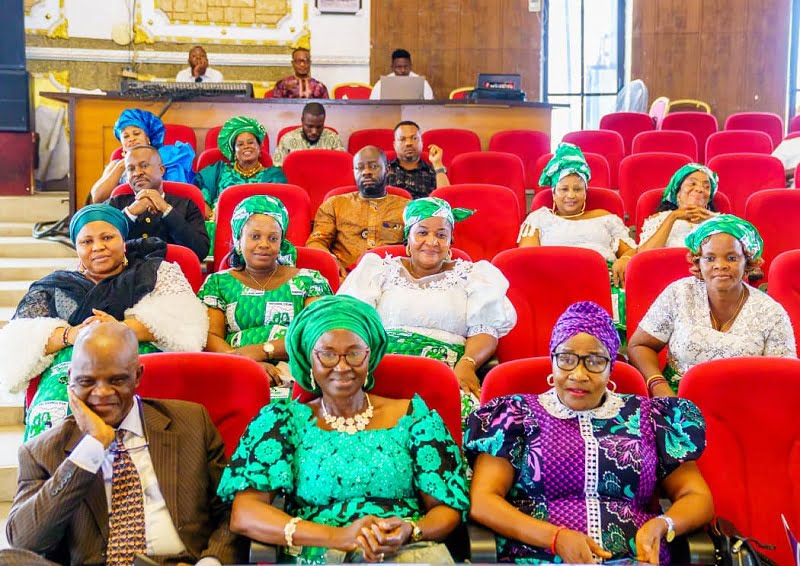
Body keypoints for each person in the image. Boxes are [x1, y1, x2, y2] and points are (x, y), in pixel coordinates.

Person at [218, 295, 469, 564]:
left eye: (354, 353)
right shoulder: (281, 421)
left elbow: (446, 508)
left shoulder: (414, 416)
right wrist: (337, 537)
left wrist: (412, 530)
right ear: (308, 359)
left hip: (404, 552)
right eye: (327, 355)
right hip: (316, 553)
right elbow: (245, 514)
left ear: (370, 356)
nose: (342, 366)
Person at [466, 301, 714, 564]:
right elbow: (484, 500)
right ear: (552, 360)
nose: (579, 374)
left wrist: (663, 524)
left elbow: (696, 496)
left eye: (595, 361)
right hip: (539, 556)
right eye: (566, 360)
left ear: (611, 367)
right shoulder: (516, 414)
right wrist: (555, 538)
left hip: (637, 558)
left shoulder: (649, 417)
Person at [6, 321, 241, 565]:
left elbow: (231, 510)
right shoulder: (41, 451)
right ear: (70, 381)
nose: (101, 393)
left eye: (116, 380)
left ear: (137, 375)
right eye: (86, 382)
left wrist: (210, 562)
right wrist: (92, 447)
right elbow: (25, 541)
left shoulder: (191, 423)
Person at [0, 205, 208, 440]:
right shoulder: (56, 285)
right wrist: (72, 334)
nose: (98, 247)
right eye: (86, 242)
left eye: (107, 238)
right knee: (57, 421)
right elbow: (18, 340)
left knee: (154, 422)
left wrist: (122, 329)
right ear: (77, 248)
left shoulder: (156, 271)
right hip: (73, 364)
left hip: (140, 358)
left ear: (123, 241)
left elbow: (185, 320)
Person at [339, 196, 516, 420]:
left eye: (441, 235)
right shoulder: (378, 270)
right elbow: (352, 323)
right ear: (408, 238)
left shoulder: (473, 276)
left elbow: (485, 330)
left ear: (450, 241)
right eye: (422, 232)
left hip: (447, 375)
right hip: (380, 371)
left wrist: (468, 364)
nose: (432, 242)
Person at [629, 215, 796, 395]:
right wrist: (659, 386)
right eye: (710, 258)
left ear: (747, 262)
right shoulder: (680, 293)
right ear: (698, 262)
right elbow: (640, 346)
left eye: (731, 258)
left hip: (744, 402)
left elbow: (783, 378)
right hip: (677, 398)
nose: (720, 265)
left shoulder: (771, 313)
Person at [198, 196, 332, 399]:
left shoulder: (310, 280)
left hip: (298, 374)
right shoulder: (217, 283)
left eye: (273, 238)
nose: (264, 244)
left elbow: (316, 335)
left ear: (281, 241)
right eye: (255, 236)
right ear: (238, 239)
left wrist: (263, 350)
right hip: (234, 372)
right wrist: (246, 364)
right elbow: (210, 337)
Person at [518, 142, 636, 331]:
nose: (571, 195)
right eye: (564, 189)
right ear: (554, 193)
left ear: (585, 192)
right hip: (553, 282)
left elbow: (630, 251)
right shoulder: (539, 218)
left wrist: (625, 259)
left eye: (578, 189)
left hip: (603, 281)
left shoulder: (605, 218)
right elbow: (526, 260)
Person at [306, 146, 409, 278]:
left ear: (387, 170)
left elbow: (416, 245)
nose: (366, 172)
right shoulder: (335, 204)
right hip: (345, 277)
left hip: (393, 278)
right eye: (359, 168)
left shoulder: (406, 208)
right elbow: (316, 242)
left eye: (373, 166)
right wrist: (331, 260)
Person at [108, 145, 210, 260]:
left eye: (144, 166)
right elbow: (101, 242)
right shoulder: (116, 203)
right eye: (131, 169)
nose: (137, 173)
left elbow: (201, 251)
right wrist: (130, 213)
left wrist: (167, 211)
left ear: (161, 170)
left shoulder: (186, 205)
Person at [90, 109, 195, 203]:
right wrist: (123, 164)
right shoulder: (116, 165)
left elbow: (178, 195)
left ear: (148, 138)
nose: (131, 139)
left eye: (136, 134)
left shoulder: (168, 156)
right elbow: (97, 199)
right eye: (126, 136)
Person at [194, 116, 287, 219]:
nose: (246, 146)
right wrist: (210, 216)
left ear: (259, 147)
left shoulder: (273, 176)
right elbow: (201, 196)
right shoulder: (218, 171)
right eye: (240, 144)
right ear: (234, 151)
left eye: (251, 142)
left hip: (258, 225)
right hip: (218, 222)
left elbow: (278, 208)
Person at [638, 163, 720, 251]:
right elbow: (644, 255)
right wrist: (673, 217)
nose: (700, 189)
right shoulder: (660, 219)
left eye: (706, 187)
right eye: (692, 183)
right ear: (678, 192)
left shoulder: (718, 220)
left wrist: (714, 220)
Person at [386, 121, 449, 199]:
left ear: (422, 142)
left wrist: (438, 164)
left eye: (414, 138)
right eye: (402, 139)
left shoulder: (433, 171)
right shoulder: (384, 170)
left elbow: (445, 199)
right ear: (394, 145)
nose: (408, 143)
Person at [272, 102, 345, 167]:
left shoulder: (333, 138)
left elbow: (343, 166)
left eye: (319, 127)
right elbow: (277, 170)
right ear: (302, 120)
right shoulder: (287, 139)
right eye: (309, 126)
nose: (314, 132)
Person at [370, 49, 434, 100]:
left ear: (411, 66)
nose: (403, 70)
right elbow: (373, 106)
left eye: (406, 66)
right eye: (399, 67)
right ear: (392, 67)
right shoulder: (381, 84)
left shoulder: (422, 83)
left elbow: (429, 105)